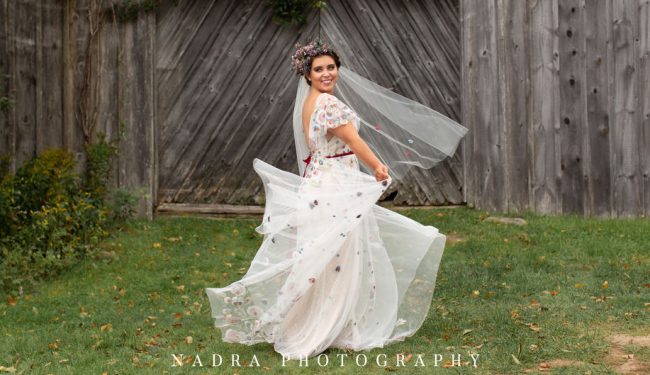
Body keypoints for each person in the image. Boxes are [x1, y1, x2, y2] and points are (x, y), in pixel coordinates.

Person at [205, 41, 467, 360]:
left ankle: (324, 323)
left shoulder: (311, 103)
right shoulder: (328, 105)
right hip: (334, 187)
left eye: (331, 67)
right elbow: (354, 141)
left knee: (325, 256)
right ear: (307, 75)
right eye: (319, 69)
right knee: (338, 256)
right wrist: (378, 168)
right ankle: (325, 327)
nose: (327, 73)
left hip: (320, 183)